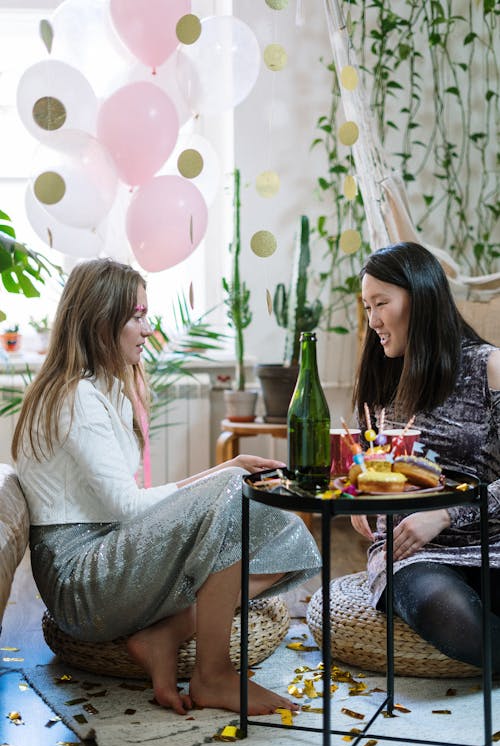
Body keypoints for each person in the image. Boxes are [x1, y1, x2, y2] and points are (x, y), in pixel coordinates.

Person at [12, 258, 321, 716]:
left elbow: (130, 507)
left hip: (110, 553)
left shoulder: (105, 389)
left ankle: (167, 633)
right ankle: (212, 674)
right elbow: (129, 508)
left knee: (284, 527)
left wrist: (227, 468)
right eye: (137, 315)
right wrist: (223, 477)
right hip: (82, 583)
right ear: (102, 320)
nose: (147, 327)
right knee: (235, 489)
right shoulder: (75, 396)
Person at [351, 241, 500, 672]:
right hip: (412, 556)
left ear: (422, 299)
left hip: (491, 542)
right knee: (449, 615)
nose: (373, 320)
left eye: (382, 303)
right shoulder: (382, 374)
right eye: (367, 306)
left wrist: (447, 515)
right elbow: (369, 464)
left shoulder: (487, 367)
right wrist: (358, 500)